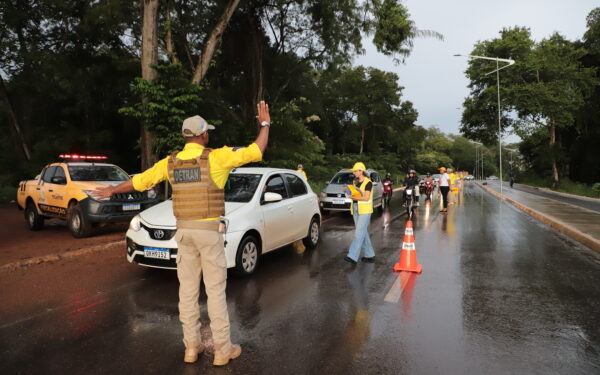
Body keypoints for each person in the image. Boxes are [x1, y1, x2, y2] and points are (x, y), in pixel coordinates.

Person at [92, 101, 271, 366]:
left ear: (185, 136)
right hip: (209, 234)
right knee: (215, 292)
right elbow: (256, 150)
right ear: (203, 134)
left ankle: (191, 348)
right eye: (207, 131)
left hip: (184, 233)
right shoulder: (216, 157)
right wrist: (265, 124)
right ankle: (222, 350)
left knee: (186, 293)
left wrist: (112, 190)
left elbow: (141, 180)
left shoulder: (171, 162)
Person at [344, 162, 376, 264]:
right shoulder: (355, 182)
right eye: (353, 171)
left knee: (358, 233)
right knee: (363, 232)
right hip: (355, 208)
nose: (354, 172)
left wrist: (353, 197)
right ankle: (369, 254)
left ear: (361, 171)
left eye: (355, 171)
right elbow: (354, 193)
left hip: (365, 210)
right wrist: (347, 191)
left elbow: (366, 198)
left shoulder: (368, 183)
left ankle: (352, 256)